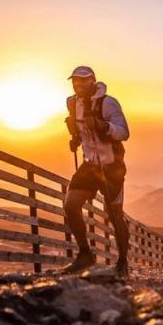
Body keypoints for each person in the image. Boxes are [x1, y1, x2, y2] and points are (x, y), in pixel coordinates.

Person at [60, 65, 131, 277]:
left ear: (93, 81)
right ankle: (85, 255)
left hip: (111, 166)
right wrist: (75, 138)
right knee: (71, 205)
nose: (78, 84)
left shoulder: (107, 103)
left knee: (114, 214)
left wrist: (103, 125)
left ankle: (123, 262)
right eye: (75, 80)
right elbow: (82, 132)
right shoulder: (72, 103)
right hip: (89, 164)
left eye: (83, 80)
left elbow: (124, 132)